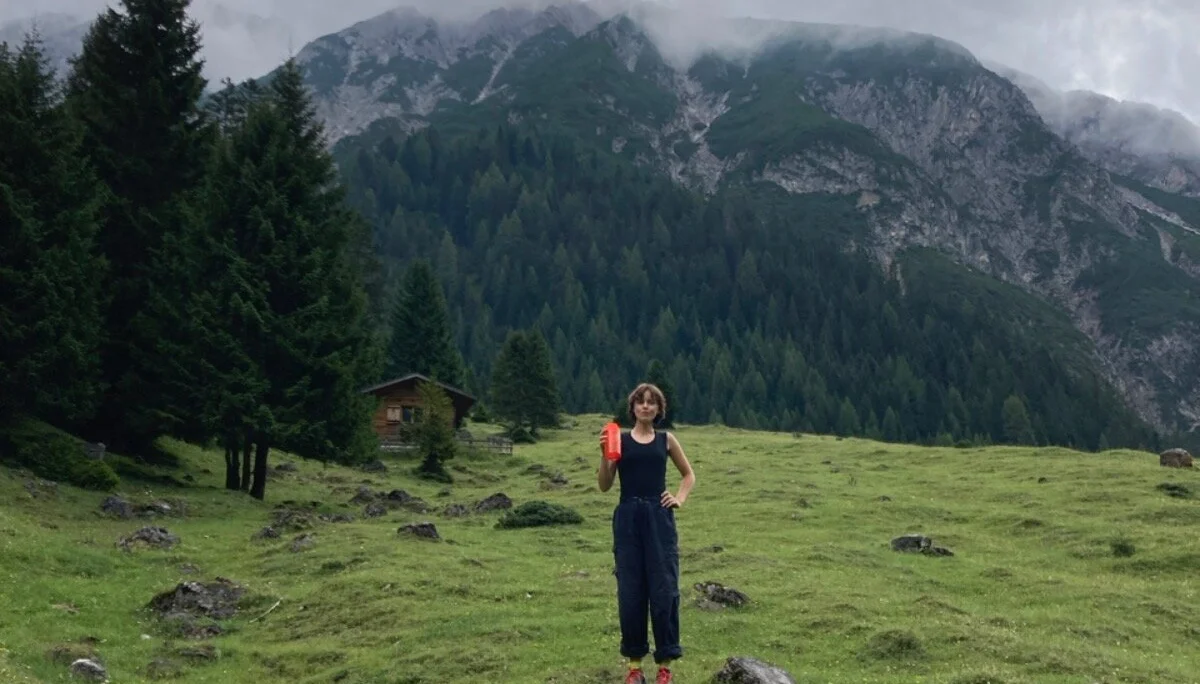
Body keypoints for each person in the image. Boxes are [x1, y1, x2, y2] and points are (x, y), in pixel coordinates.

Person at [597, 382, 696, 684]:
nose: (645, 407)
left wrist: (678, 498)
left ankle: (665, 665)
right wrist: (604, 455)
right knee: (631, 592)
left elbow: (688, 475)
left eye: (652, 402)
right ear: (633, 408)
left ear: (658, 409)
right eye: (640, 402)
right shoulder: (620, 442)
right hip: (627, 517)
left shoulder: (667, 440)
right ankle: (634, 666)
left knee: (664, 590)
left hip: (658, 518)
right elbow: (604, 485)